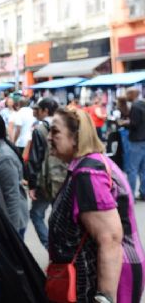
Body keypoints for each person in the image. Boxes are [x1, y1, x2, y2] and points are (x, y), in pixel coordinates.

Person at [48, 107, 145, 303]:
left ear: (76, 137)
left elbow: (109, 239)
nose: (49, 137)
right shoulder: (90, 163)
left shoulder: (88, 173)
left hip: (105, 278)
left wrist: (105, 297)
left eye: (55, 131)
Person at [26, 97, 67, 249]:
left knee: (36, 215)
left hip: (45, 181)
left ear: (45, 111)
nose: (37, 112)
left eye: (39, 110)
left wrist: (32, 184)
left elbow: (35, 159)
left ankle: (51, 247)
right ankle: (62, 249)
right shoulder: (65, 126)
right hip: (63, 179)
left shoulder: (40, 129)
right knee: (60, 216)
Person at [124, 88, 145, 200]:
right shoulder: (142, 103)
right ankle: (143, 192)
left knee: (132, 169)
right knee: (143, 169)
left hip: (136, 140)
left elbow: (134, 124)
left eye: (127, 93)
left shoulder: (135, 106)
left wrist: (125, 123)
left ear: (133, 94)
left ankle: (130, 195)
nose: (126, 95)